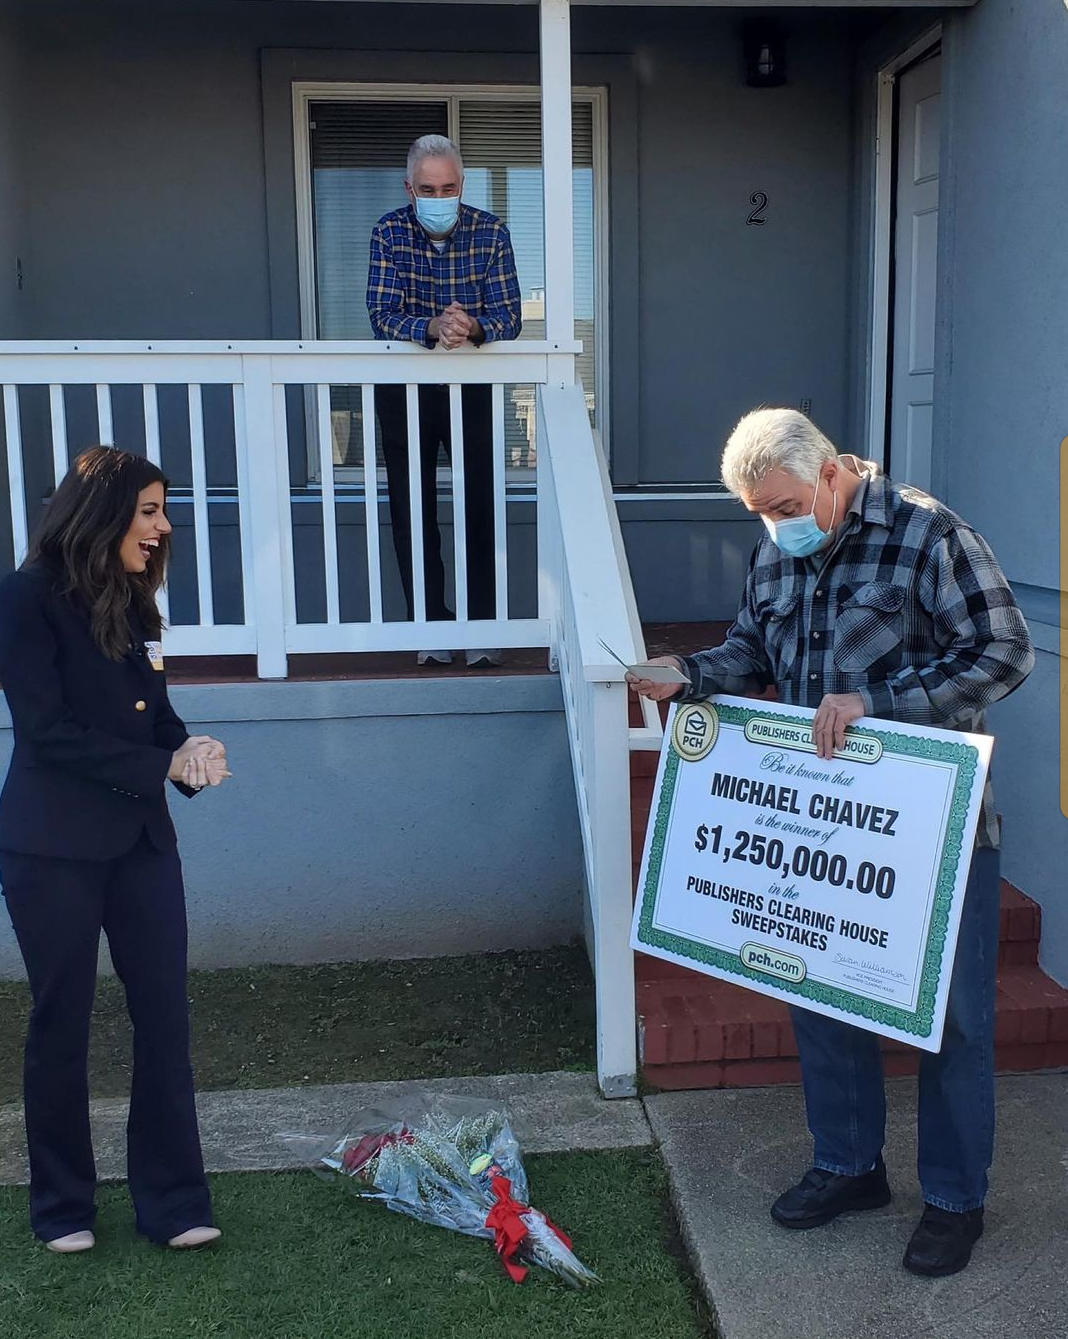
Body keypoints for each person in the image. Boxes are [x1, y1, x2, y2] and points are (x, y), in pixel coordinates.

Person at [629, 407, 1034, 1279]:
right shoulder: (777, 549)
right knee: (819, 988)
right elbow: (750, 649)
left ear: (828, 473)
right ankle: (849, 1166)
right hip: (818, 821)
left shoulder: (928, 533)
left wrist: (874, 705)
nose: (775, 527)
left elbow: (1005, 650)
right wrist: (686, 673)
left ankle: (954, 1200)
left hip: (931, 824)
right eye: (758, 515)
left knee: (953, 1019)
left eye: (782, 507)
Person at [0, 446, 231, 1254]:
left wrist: (190, 750)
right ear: (103, 514)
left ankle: (174, 1202)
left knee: (164, 1015)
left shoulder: (133, 599)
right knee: (60, 1020)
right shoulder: (24, 596)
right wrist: (158, 763)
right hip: (52, 849)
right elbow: (48, 731)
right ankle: (62, 1206)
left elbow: (154, 719)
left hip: (141, 842)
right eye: (150, 510)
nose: (163, 527)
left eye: (164, 511)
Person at [367, 133, 522, 669]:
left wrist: (471, 326)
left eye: (448, 187)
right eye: (428, 189)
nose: (439, 197)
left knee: (481, 507)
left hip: (473, 391)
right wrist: (432, 326)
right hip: (404, 391)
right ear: (409, 187)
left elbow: (509, 315)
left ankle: (481, 628)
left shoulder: (491, 231)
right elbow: (382, 314)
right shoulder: (388, 231)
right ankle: (430, 627)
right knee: (412, 510)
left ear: (462, 185)